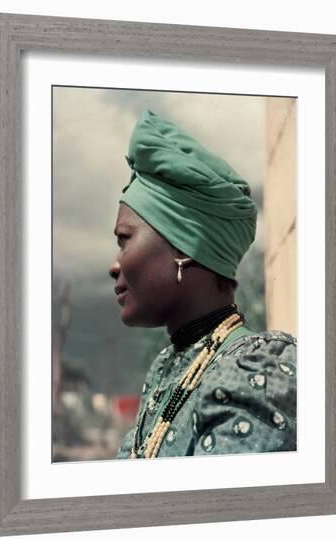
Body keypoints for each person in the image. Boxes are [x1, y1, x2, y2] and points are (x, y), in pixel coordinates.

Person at [108, 109, 296, 460]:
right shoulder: (170, 367)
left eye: (124, 239)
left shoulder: (255, 378)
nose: (114, 265)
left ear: (184, 247)